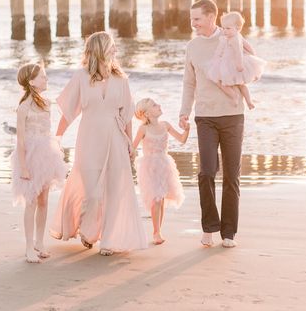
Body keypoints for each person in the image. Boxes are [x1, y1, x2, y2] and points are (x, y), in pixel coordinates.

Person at [50, 31, 147, 256]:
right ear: (99, 49)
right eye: (111, 46)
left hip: (115, 137)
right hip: (89, 138)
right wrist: (57, 138)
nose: (115, 50)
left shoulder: (121, 79)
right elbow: (69, 112)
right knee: (92, 192)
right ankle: (88, 229)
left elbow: (127, 113)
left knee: (114, 191)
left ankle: (109, 241)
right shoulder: (81, 77)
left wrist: (131, 144)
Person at [179, 0, 244, 249]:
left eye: (196, 19)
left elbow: (247, 64)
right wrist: (184, 111)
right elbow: (189, 82)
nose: (193, 23)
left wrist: (242, 92)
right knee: (206, 172)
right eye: (192, 19)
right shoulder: (193, 47)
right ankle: (209, 226)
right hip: (204, 116)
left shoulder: (229, 38)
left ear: (211, 17)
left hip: (232, 116)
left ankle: (229, 232)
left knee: (231, 175)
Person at [11, 63, 68, 263]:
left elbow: (47, 131)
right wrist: (24, 166)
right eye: (42, 76)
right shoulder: (24, 106)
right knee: (31, 201)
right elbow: (20, 139)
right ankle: (28, 247)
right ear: (31, 81)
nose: (46, 79)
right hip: (30, 156)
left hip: (46, 154)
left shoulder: (46, 103)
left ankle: (39, 242)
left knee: (43, 200)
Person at [133, 98, 188, 245]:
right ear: (146, 113)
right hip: (149, 166)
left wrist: (187, 130)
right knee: (156, 198)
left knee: (162, 198)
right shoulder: (143, 129)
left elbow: (182, 139)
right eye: (154, 105)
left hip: (164, 164)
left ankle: (158, 230)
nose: (159, 105)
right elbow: (132, 147)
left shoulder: (165, 125)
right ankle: (156, 232)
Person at [206, 11, 266, 110]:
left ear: (237, 28)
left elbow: (239, 52)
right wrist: (252, 54)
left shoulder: (235, 39)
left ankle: (239, 98)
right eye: (224, 28)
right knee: (240, 84)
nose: (225, 31)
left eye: (228, 28)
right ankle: (246, 101)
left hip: (234, 63)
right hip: (228, 62)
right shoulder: (230, 37)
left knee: (221, 81)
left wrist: (242, 63)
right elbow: (246, 46)